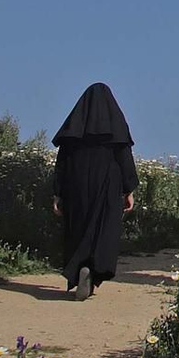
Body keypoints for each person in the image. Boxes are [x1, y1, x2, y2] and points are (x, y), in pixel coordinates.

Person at [52, 82, 136, 299]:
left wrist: (58, 193)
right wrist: (128, 190)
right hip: (107, 186)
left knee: (78, 229)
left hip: (75, 186)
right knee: (103, 230)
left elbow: (61, 163)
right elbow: (125, 159)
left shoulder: (73, 129)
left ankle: (79, 267)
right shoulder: (116, 127)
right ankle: (92, 269)